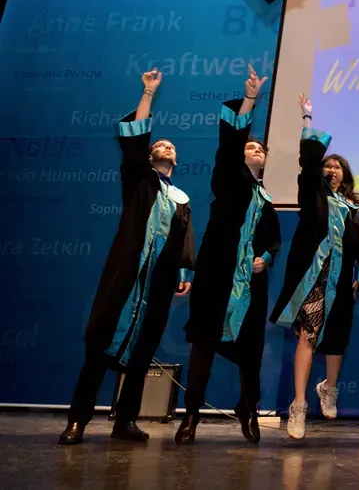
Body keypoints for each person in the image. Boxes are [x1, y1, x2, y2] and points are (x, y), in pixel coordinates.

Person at [59, 70, 195, 445]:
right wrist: (148, 93)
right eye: (159, 145)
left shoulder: (181, 199)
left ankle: (125, 422)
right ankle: (77, 420)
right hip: (125, 277)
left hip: (157, 285)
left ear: (177, 160)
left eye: (171, 146)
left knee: (141, 354)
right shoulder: (139, 181)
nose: (166, 147)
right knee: (98, 349)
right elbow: (134, 145)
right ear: (150, 156)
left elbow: (184, 241)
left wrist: (184, 272)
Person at [175, 66, 281, 445]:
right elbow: (229, 147)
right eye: (250, 146)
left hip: (250, 284)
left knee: (250, 352)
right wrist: (250, 100)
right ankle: (190, 416)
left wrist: (266, 258)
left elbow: (273, 241)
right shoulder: (227, 180)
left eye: (260, 149)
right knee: (204, 345)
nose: (255, 150)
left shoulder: (267, 201)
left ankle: (247, 409)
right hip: (217, 276)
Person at [269, 94, 359, 440]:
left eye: (338, 166)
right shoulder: (312, 194)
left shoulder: (352, 209)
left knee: (337, 338)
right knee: (308, 334)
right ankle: (299, 405)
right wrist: (307, 118)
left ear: (346, 175)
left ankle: (329, 387)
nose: (332, 170)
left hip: (340, 280)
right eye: (329, 166)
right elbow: (310, 161)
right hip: (313, 276)